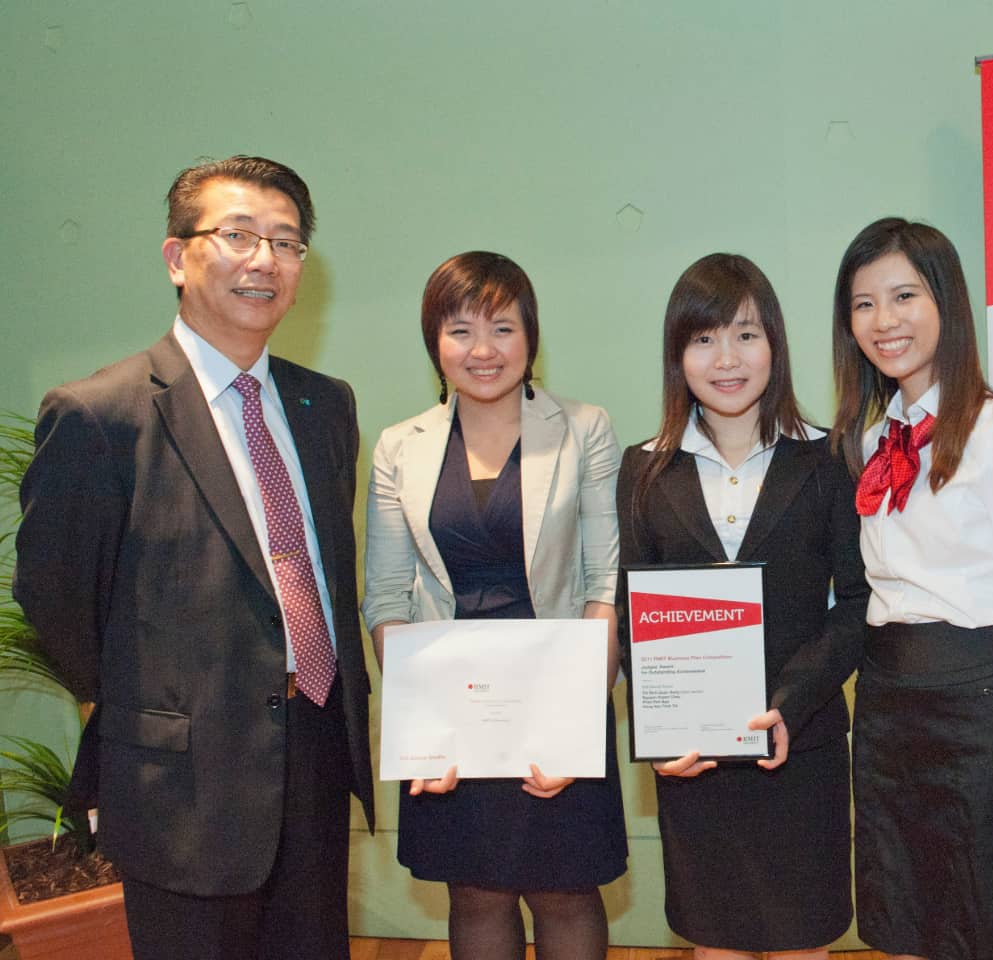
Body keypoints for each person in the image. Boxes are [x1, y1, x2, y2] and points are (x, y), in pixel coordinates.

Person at [13, 155, 375, 959]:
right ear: (178, 257)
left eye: (286, 242)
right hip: (182, 779)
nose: (264, 260)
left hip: (314, 754)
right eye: (238, 234)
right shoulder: (100, 415)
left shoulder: (326, 405)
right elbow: (55, 596)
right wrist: (150, 709)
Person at [363, 251, 626, 960]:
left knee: (565, 891)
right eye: (460, 330)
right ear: (434, 343)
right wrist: (428, 724)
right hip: (454, 709)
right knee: (475, 893)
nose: (483, 350)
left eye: (503, 328)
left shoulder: (583, 427)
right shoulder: (398, 447)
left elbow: (605, 581)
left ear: (531, 337)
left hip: (559, 698)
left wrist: (572, 721)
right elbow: (385, 597)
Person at [615, 253, 868, 960]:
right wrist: (660, 734)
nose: (726, 358)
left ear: (775, 347)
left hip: (803, 750)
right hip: (695, 765)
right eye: (703, 339)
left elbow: (855, 606)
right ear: (678, 355)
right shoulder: (644, 468)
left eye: (746, 335)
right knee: (714, 943)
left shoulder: (829, 459)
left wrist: (791, 701)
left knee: (800, 943)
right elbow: (636, 615)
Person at [831, 217, 993, 960]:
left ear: (947, 304)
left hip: (976, 715)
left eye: (903, 295)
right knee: (901, 928)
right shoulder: (872, 442)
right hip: (888, 709)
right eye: (864, 303)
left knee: (981, 930)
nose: (883, 321)